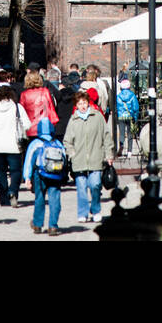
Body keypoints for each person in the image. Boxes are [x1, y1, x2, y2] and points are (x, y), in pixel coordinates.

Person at [64, 89, 114, 223]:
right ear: (76, 105)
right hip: (79, 159)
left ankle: (96, 209)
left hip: (95, 157)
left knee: (95, 185)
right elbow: (67, 141)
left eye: (84, 102)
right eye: (79, 103)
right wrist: (72, 154)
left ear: (88, 103)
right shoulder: (73, 120)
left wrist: (109, 154)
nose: (82, 105)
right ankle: (83, 212)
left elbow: (106, 136)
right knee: (81, 188)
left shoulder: (97, 117)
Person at [0, 84, 31, 208]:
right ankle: (13, 191)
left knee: (1, 172)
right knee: (16, 171)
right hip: (14, 145)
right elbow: (27, 124)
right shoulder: (17, 107)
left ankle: (3, 198)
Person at [23, 116, 66, 236]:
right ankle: (53, 226)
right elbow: (64, 160)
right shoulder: (57, 143)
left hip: (40, 175)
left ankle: (37, 224)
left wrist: (27, 178)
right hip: (55, 176)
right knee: (55, 200)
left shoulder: (35, 144)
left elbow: (29, 161)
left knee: (39, 199)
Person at [19, 69, 58, 137]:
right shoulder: (45, 91)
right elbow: (50, 108)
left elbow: (22, 113)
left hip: (30, 128)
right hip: (44, 127)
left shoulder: (24, 95)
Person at [115, 77, 139, 156]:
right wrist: (135, 117)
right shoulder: (132, 95)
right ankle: (129, 151)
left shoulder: (118, 96)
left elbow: (116, 107)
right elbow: (135, 107)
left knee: (121, 133)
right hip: (130, 116)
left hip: (121, 116)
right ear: (129, 87)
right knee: (130, 134)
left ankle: (121, 146)